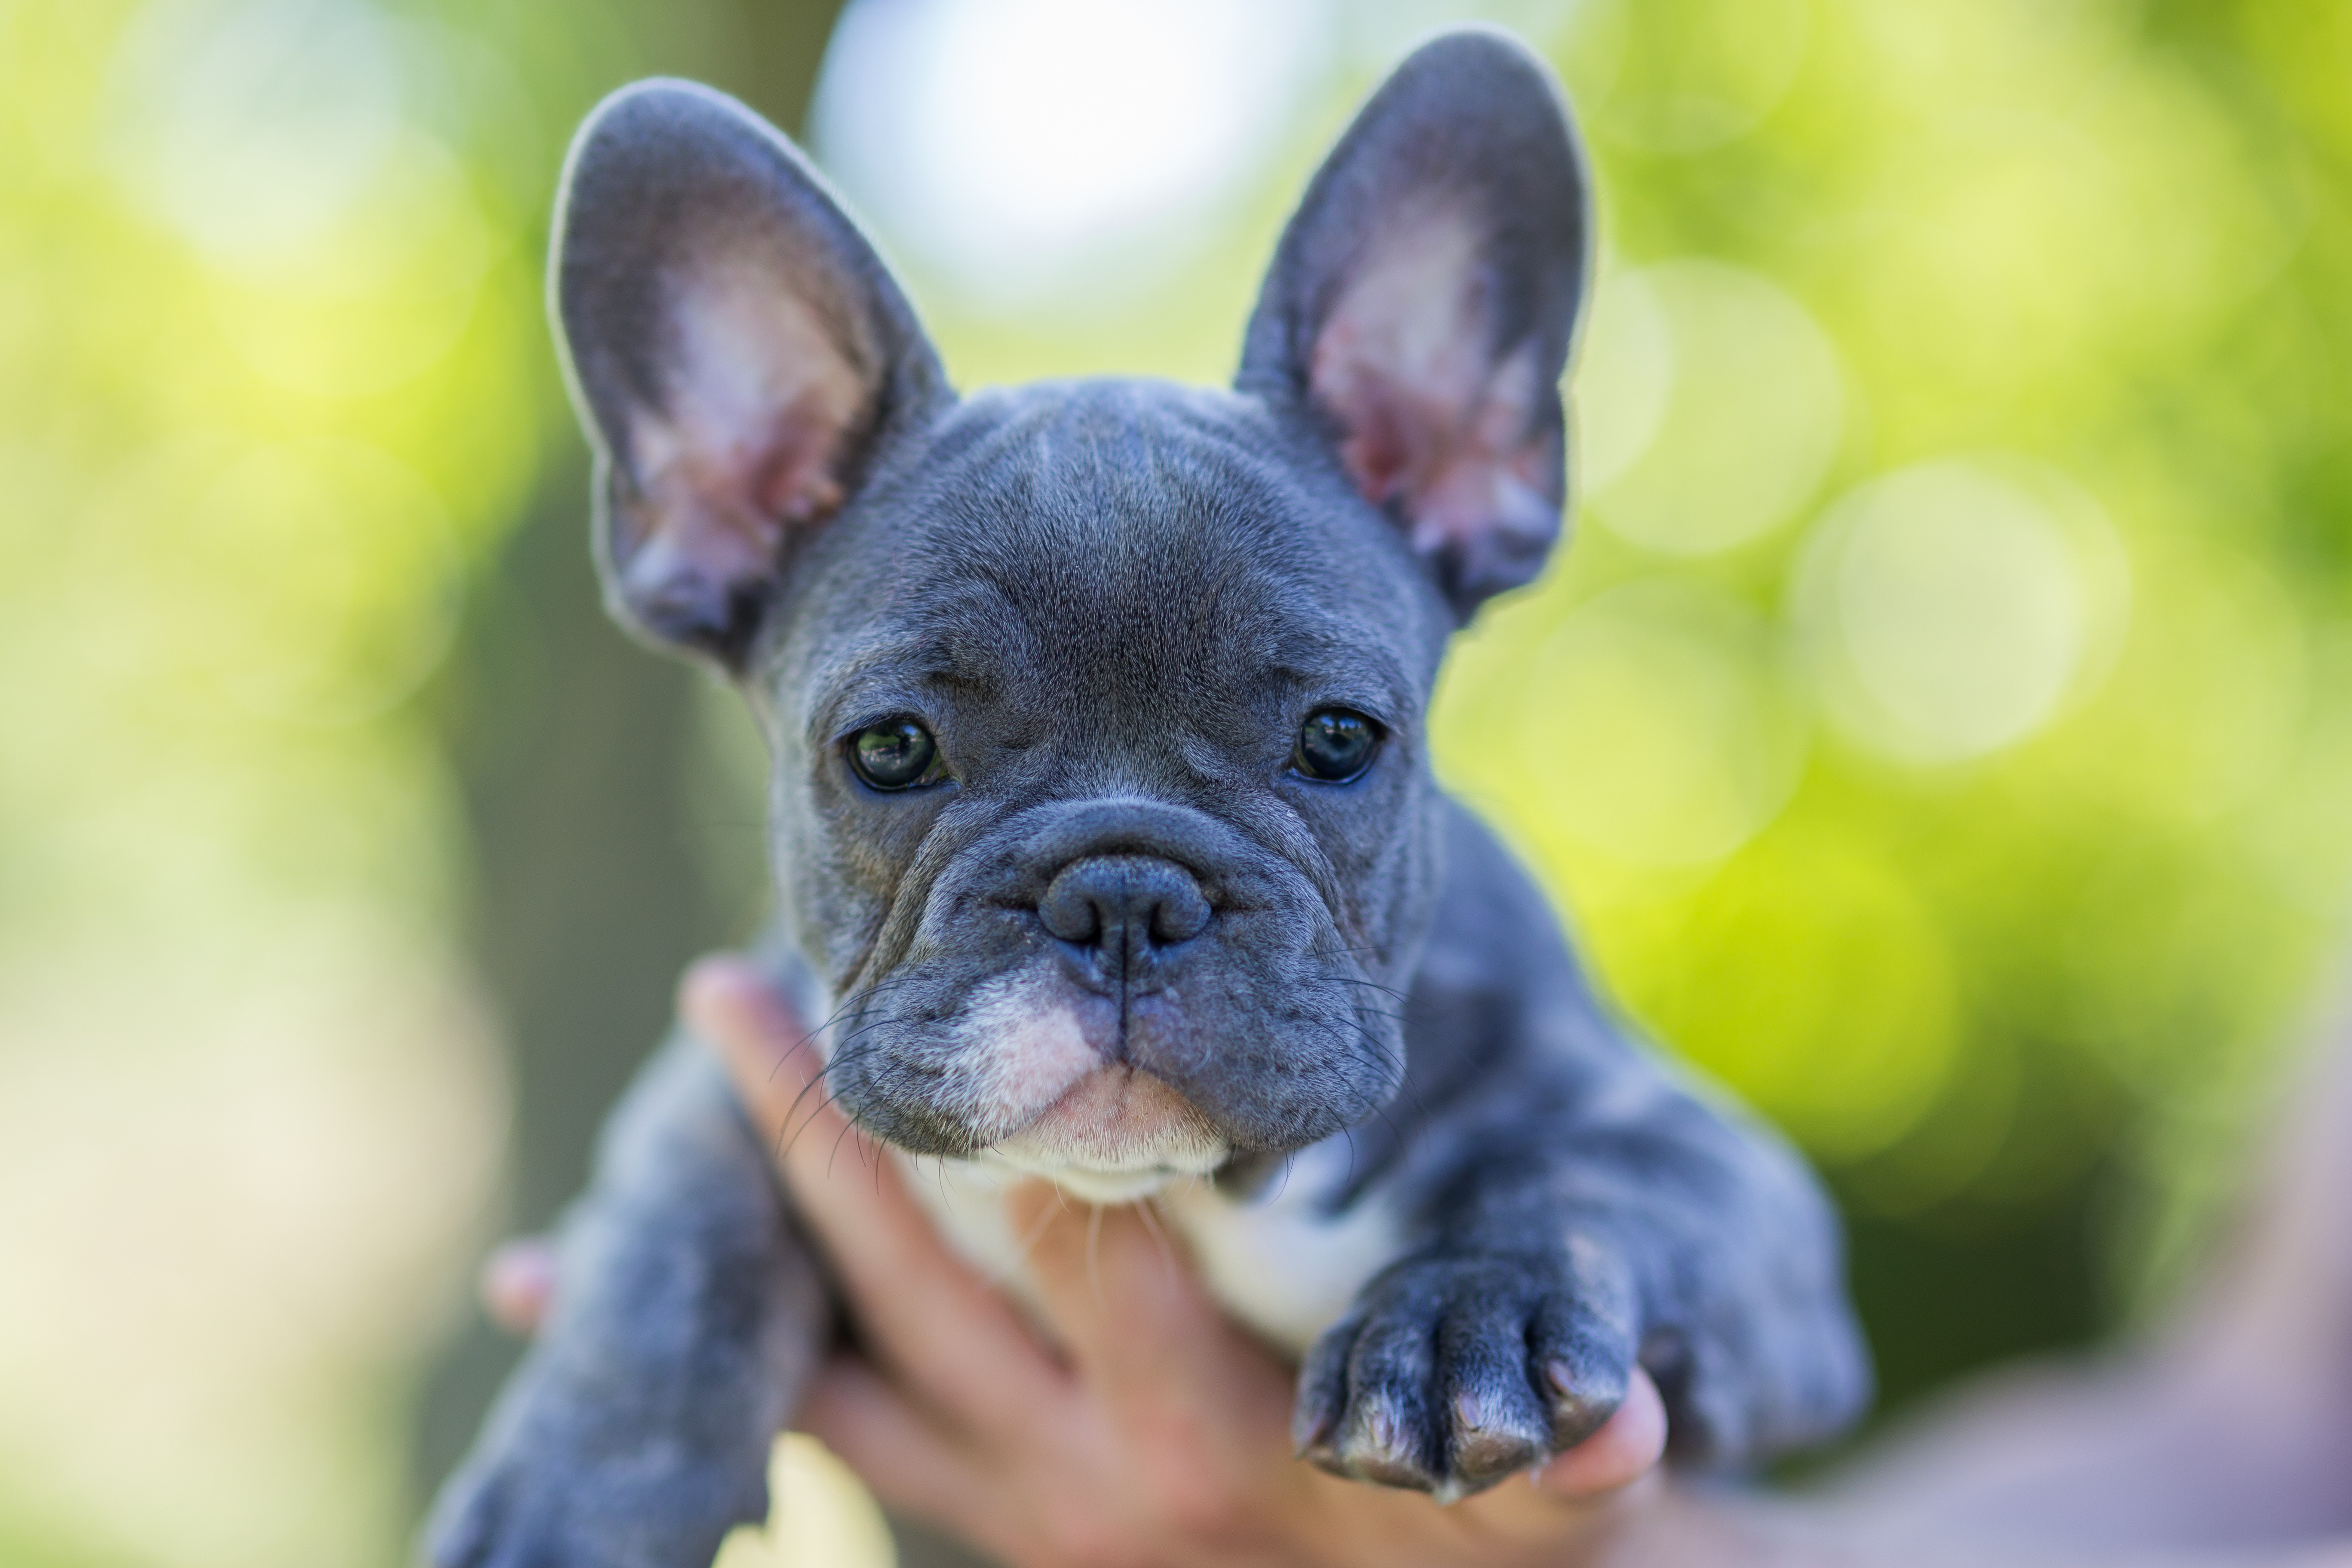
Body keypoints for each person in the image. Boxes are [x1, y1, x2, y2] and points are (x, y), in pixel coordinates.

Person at [485, 955, 2352, 1566]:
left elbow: (1757, 1248)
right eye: (903, 753)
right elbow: (2257, 1418)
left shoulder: (1490, 1019)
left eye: (1320, 744)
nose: (1119, 922)